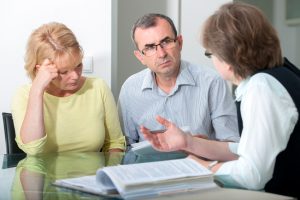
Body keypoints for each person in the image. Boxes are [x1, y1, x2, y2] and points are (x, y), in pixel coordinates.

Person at [141, 2, 299, 198]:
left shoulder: (261, 89)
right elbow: (250, 148)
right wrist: (188, 142)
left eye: (211, 53)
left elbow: (252, 175)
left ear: (229, 57)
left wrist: (205, 167)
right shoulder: (280, 74)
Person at [118, 13, 240, 146]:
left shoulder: (212, 82)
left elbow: (232, 145)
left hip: (200, 165)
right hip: (149, 166)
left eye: (166, 42)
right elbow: (126, 147)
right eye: (150, 48)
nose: (161, 54)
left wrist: (197, 144)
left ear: (180, 43)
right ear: (140, 57)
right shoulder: (129, 89)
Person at [11, 22, 125, 155]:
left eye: (78, 65)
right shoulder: (23, 95)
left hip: (92, 175)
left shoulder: (98, 88)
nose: (75, 76)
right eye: (64, 72)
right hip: (45, 176)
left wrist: (109, 173)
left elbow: (114, 143)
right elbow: (33, 149)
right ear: (40, 70)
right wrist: (37, 90)